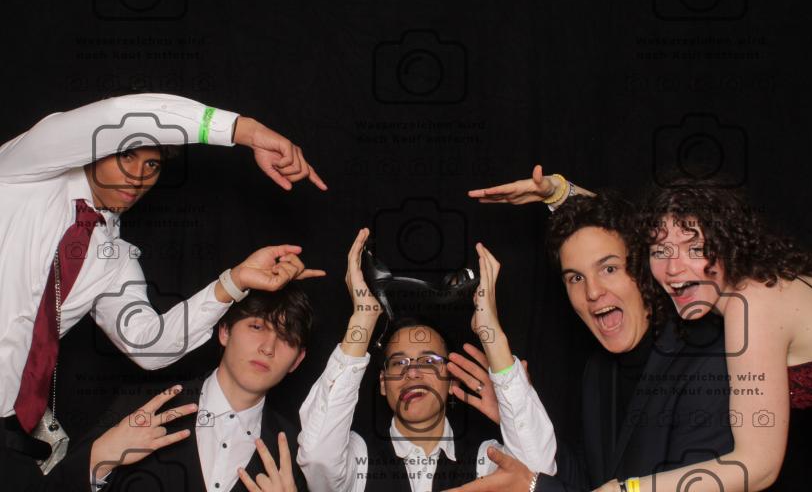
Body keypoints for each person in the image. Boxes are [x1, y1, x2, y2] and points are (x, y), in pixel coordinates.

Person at [0, 93, 326, 488]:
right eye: (126, 155)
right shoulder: (25, 170)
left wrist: (234, 282)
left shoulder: (112, 256)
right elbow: (117, 115)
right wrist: (245, 131)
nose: (138, 176)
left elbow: (148, 345)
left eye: (152, 164)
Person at [468, 167, 812, 491]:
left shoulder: (748, 311)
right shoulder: (599, 373)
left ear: (727, 241)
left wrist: (623, 490)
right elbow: (635, 231)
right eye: (660, 252)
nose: (674, 268)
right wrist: (560, 193)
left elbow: (758, 467)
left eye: (695, 247)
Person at [447, 192, 734, 492]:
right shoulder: (599, 371)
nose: (593, 292)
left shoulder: (707, 363)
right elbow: (584, 481)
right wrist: (519, 412)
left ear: (642, 270)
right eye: (575, 278)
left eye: (609, 269)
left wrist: (534, 488)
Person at [296, 228, 557, 491]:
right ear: (383, 382)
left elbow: (536, 475)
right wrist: (363, 319)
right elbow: (318, 459)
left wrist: (491, 333)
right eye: (399, 363)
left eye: (429, 361)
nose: (412, 373)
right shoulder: (357, 461)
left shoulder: (485, 461)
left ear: (451, 380)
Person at [58, 284, 313, 492]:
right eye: (257, 327)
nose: (268, 348)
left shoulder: (299, 452)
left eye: (286, 338)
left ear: (297, 360)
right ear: (225, 331)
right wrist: (99, 459)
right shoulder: (145, 405)